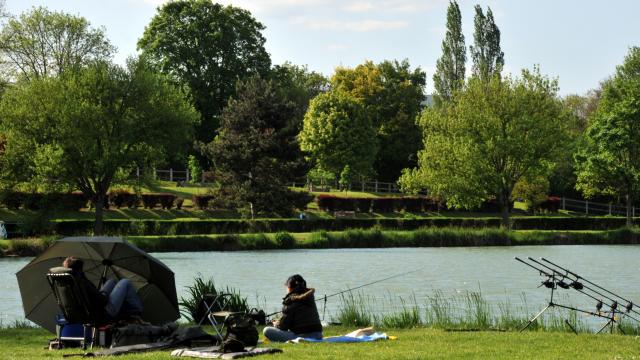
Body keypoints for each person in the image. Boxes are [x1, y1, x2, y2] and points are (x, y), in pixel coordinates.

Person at [63, 256, 144, 321]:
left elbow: (93, 295)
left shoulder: (70, 281)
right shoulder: (82, 281)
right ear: (80, 269)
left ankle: (126, 307)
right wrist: (104, 294)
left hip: (93, 309)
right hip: (104, 313)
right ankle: (136, 312)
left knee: (112, 281)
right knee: (125, 282)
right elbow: (103, 300)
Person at [263, 274, 323, 342]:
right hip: (318, 335)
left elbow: (283, 327)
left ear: (290, 288)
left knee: (267, 330)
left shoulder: (291, 301)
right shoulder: (310, 298)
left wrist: (275, 324)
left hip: (302, 336)